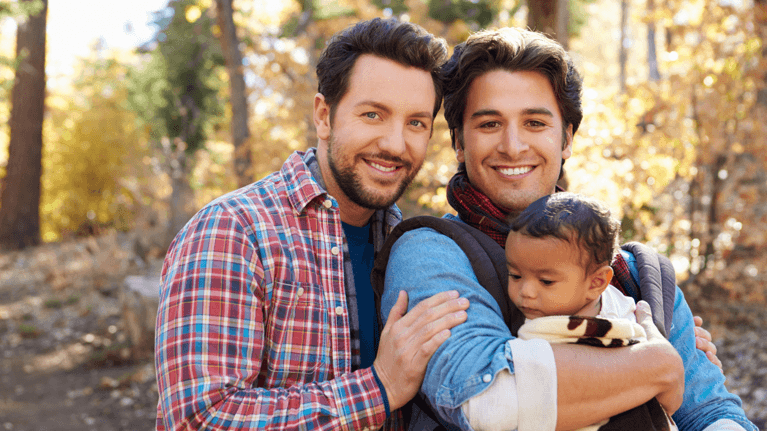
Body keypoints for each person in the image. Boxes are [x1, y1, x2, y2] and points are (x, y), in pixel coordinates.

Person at [380, 27, 756, 431]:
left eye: (535, 123)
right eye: (489, 124)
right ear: (458, 142)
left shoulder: (640, 275)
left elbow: (711, 412)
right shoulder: (432, 252)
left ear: (567, 139)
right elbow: (487, 402)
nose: (512, 145)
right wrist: (657, 366)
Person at [154, 18, 471, 430]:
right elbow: (201, 419)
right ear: (324, 116)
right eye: (373, 114)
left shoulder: (405, 247)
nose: (396, 143)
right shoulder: (232, 232)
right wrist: (379, 388)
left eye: (416, 123)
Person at [507, 192, 677, 430]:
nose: (525, 291)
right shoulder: (523, 321)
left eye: (546, 281)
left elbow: (670, 397)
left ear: (597, 283)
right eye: (515, 275)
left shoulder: (627, 313)